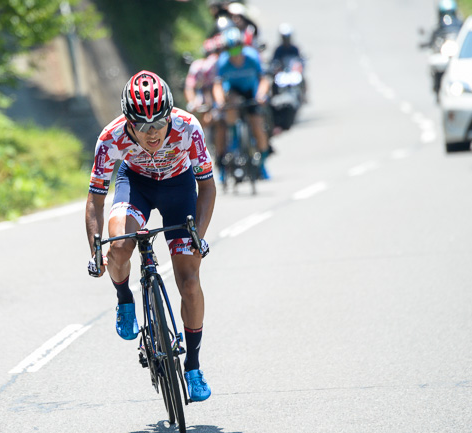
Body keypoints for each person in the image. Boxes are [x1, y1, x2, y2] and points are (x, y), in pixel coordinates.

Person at [85, 70, 217, 402]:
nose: (152, 132)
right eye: (142, 127)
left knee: (189, 280)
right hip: (136, 185)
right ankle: (125, 300)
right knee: (118, 247)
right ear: (128, 122)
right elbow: (95, 200)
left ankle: (194, 366)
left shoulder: (188, 127)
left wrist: (197, 237)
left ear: (170, 114)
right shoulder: (110, 137)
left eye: (159, 122)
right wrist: (94, 250)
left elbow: (207, 186)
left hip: (178, 187)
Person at [212, 27, 272, 179]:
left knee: (258, 126)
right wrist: (219, 102)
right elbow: (218, 85)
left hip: (251, 92)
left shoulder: (252, 57)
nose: (235, 54)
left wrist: (260, 95)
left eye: (237, 48)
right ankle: (234, 142)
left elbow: (263, 79)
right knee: (230, 109)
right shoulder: (223, 62)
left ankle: (262, 165)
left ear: (242, 46)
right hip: (233, 92)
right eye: (230, 51)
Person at [271, 23, 307, 103]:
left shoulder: (295, 49)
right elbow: (274, 61)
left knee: (303, 79)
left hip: (292, 71)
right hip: (282, 72)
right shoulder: (278, 49)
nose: (286, 40)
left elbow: (300, 59)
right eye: (284, 38)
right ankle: (273, 96)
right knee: (272, 80)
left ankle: (304, 95)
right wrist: (276, 67)